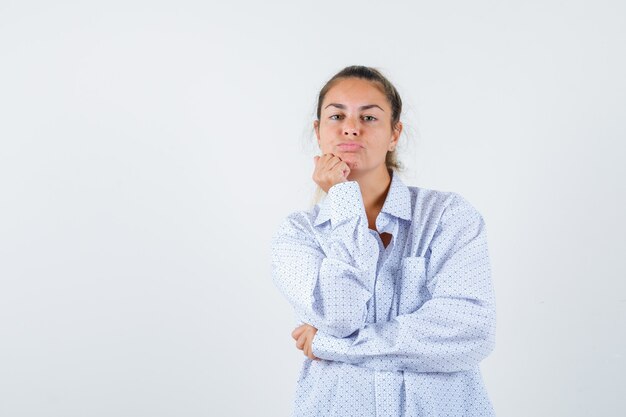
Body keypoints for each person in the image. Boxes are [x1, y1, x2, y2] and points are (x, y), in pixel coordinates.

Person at [270, 65, 496, 417]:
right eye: (336, 115)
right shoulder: (299, 235)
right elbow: (341, 316)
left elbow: (468, 334)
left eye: (370, 117)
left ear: (395, 133)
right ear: (318, 132)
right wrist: (344, 201)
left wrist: (332, 346)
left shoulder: (448, 216)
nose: (351, 127)